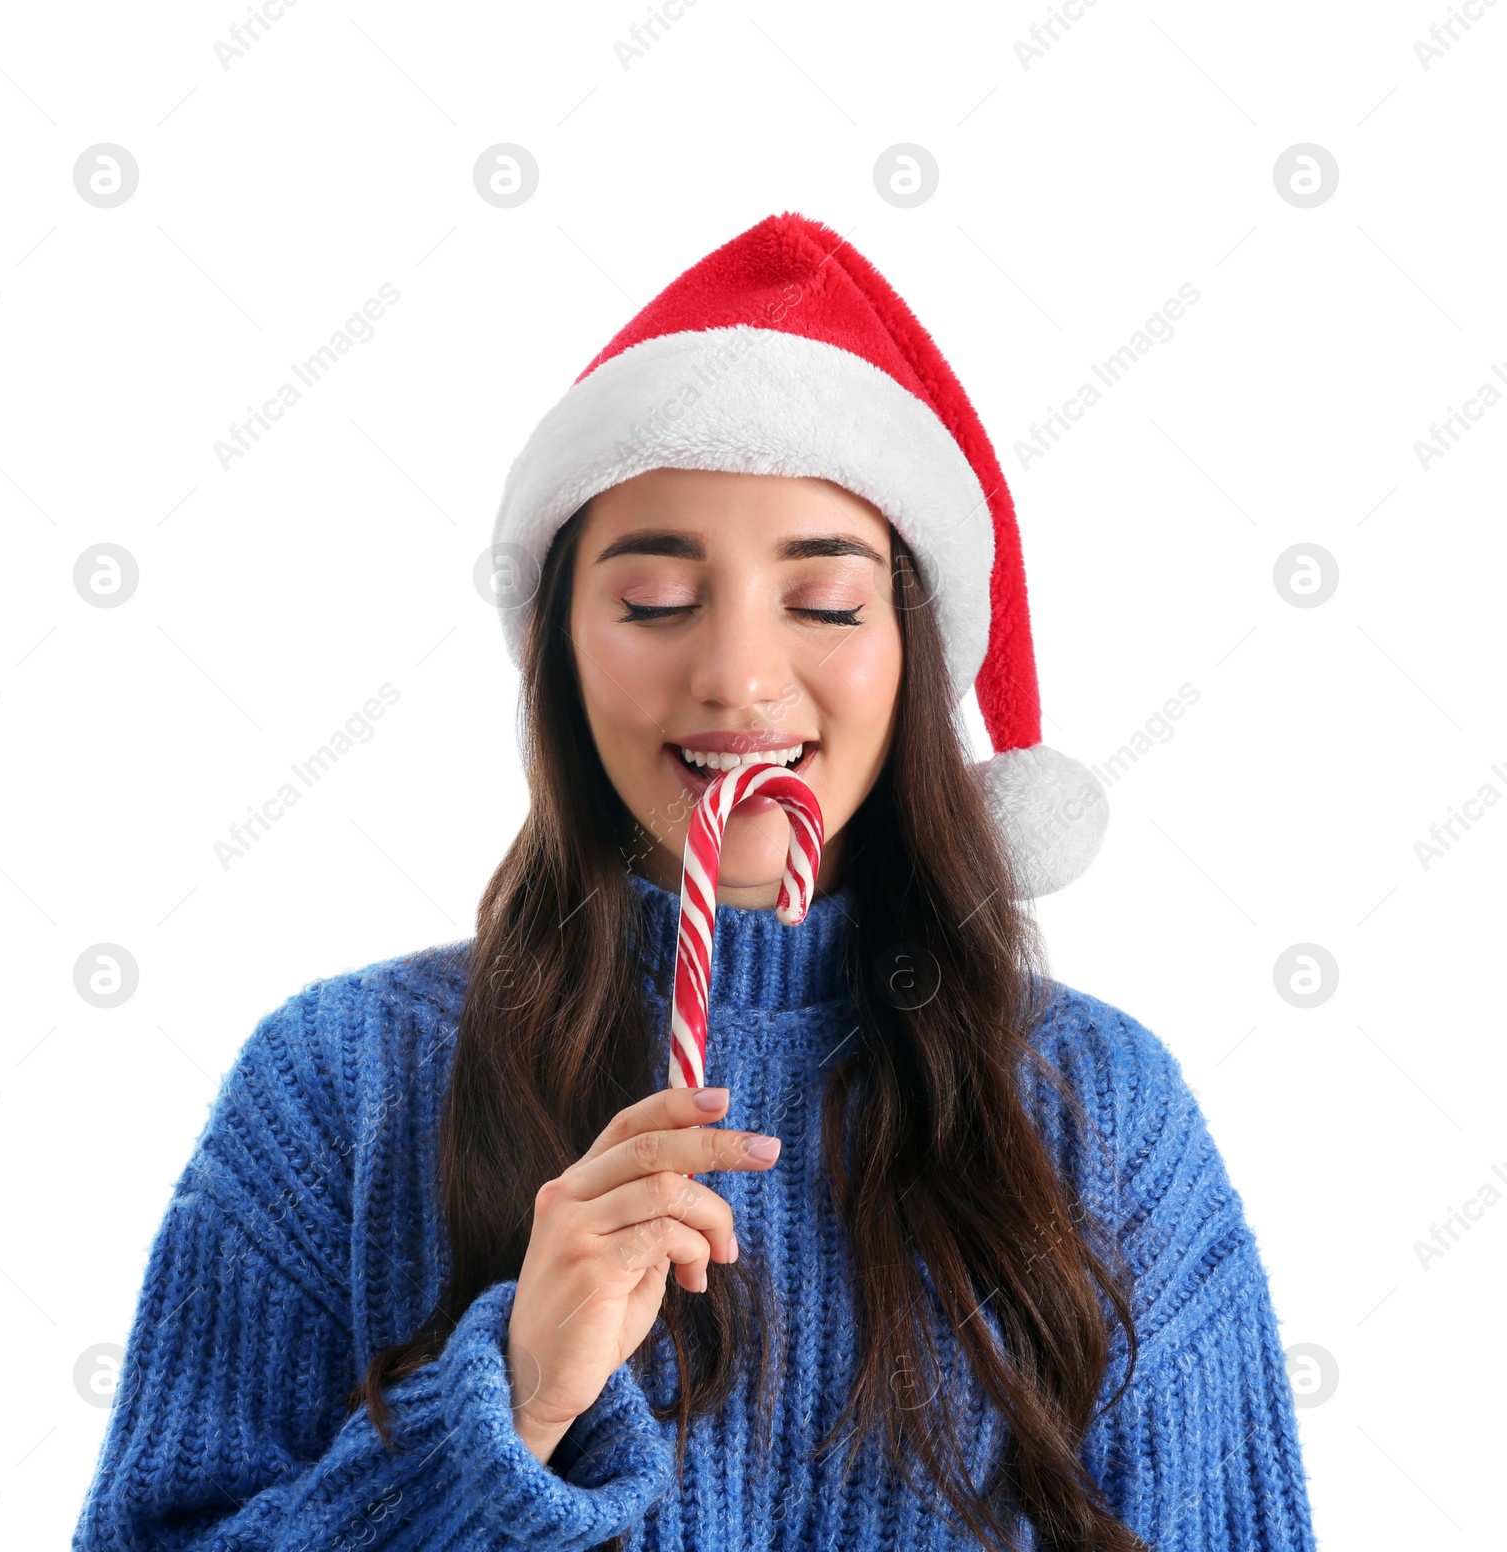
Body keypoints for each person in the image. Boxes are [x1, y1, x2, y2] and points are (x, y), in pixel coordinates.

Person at [71, 213, 1317, 1551]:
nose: (734, 672)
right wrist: (515, 1403)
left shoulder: (1093, 1108)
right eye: (658, 599)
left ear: (913, 649)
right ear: (559, 649)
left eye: (825, 604)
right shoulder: (342, 1085)